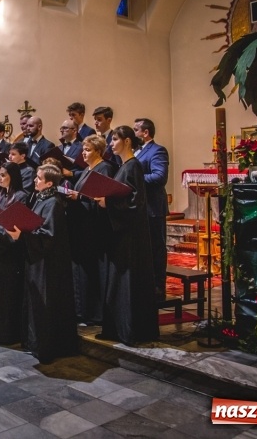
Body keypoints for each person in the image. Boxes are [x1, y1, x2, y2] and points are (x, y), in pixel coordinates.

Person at [6, 164, 78, 363]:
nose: (35, 181)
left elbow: (48, 235)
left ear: (49, 183)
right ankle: (34, 342)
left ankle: (48, 346)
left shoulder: (53, 202)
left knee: (46, 303)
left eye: (38, 178)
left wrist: (23, 235)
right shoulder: (41, 198)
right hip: (37, 260)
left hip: (49, 264)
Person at [99, 126, 159, 345]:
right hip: (121, 234)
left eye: (114, 140)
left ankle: (130, 330)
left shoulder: (133, 166)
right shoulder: (123, 166)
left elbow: (136, 202)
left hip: (130, 237)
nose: (111, 144)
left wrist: (109, 202)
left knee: (128, 282)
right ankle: (117, 329)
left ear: (126, 141)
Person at [66, 134, 114, 324]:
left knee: (92, 271)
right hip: (82, 225)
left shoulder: (104, 168)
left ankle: (94, 313)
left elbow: (101, 197)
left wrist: (80, 197)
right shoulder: (87, 169)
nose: (83, 154)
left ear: (99, 151)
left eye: (87, 150)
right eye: (83, 150)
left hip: (94, 227)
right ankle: (82, 310)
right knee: (82, 271)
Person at [0, 162, 28, 344]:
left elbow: (17, 224)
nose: (0, 178)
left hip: (12, 251)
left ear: (12, 176)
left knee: (10, 292)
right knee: (0, 293)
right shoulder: (0, 195)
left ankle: (10, 333)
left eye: (3, 175)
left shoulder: (20, 196)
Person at [133, 118, 170, 299]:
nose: (134, 134)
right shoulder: (135, 152)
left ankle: (158, 286)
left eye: (136, 130)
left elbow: (159, 177)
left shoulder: (157, 150)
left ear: (145, 132)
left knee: (156, 248)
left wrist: (134, 180)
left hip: (153, 207)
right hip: (140, 207)